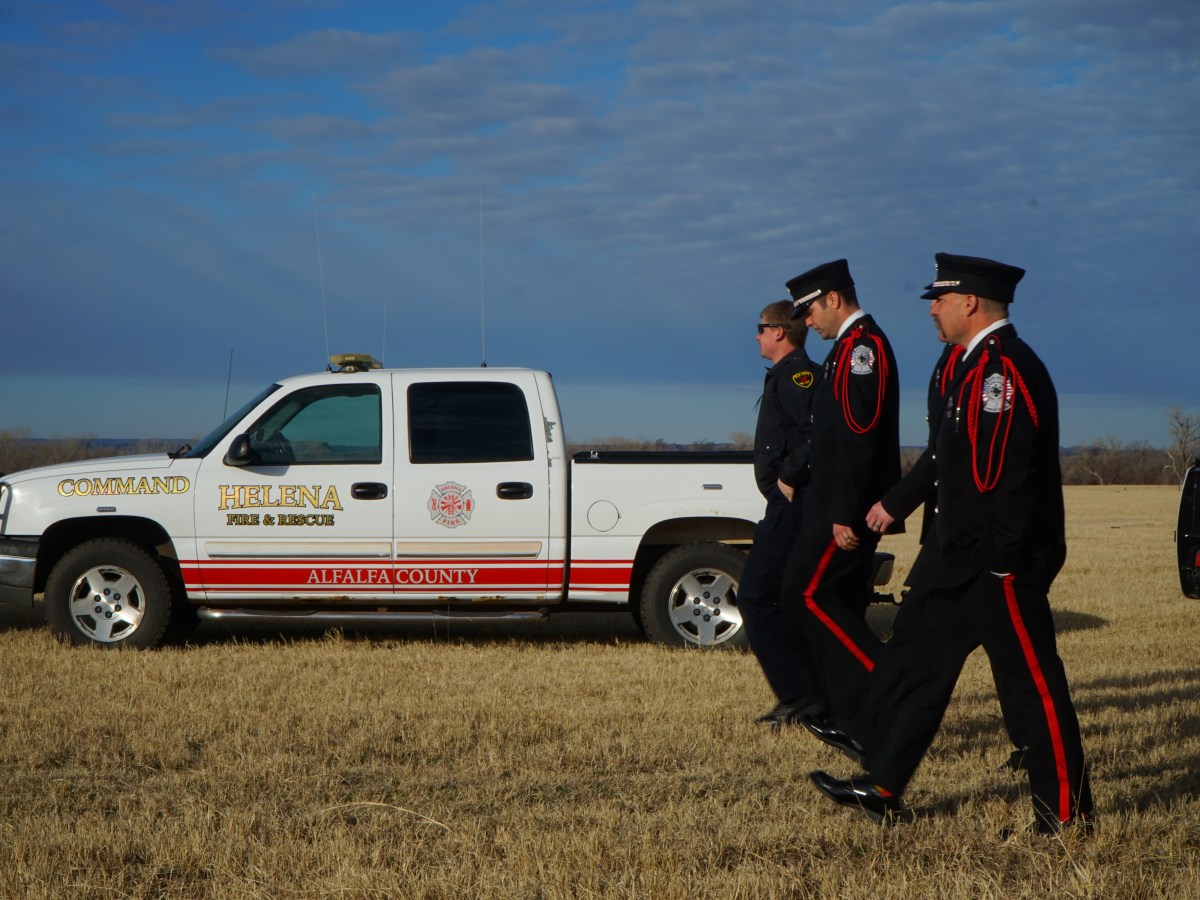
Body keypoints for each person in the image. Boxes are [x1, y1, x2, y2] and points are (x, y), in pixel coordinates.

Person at [811, 253, 1094, 834]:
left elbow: (1006, 478)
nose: (932, 309)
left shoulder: (1003, 370)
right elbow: (945, 458)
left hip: (996, 562)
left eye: (940, 299)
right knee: (915, 664)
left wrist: (1004, 564)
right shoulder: (966, 365)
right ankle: (882, 785)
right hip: (956, 557)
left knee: (1031, 689)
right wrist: (894, 503)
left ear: (970, 303)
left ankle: (1066, 815)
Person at [779, 259, 901, 756]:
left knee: (802, 595)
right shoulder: (847, 350)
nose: (807, 323)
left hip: (841, 512)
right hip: (833, 505)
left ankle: (887, 689)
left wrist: (845, 512)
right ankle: (859, 716)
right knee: (842, 602)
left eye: (809, 311)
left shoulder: (861, 351)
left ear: (833, 298)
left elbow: (857, 439)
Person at [740, 300, 825, 727]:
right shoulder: (785, 374)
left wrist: (789, 479)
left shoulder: (799, 374)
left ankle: (800, 696)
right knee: (789, 599)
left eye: (759, 327)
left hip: (793, 505)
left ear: (778, 332)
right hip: (788, 502)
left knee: (755, 595)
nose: (755, 335)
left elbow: (816, 432)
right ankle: (811, 693)